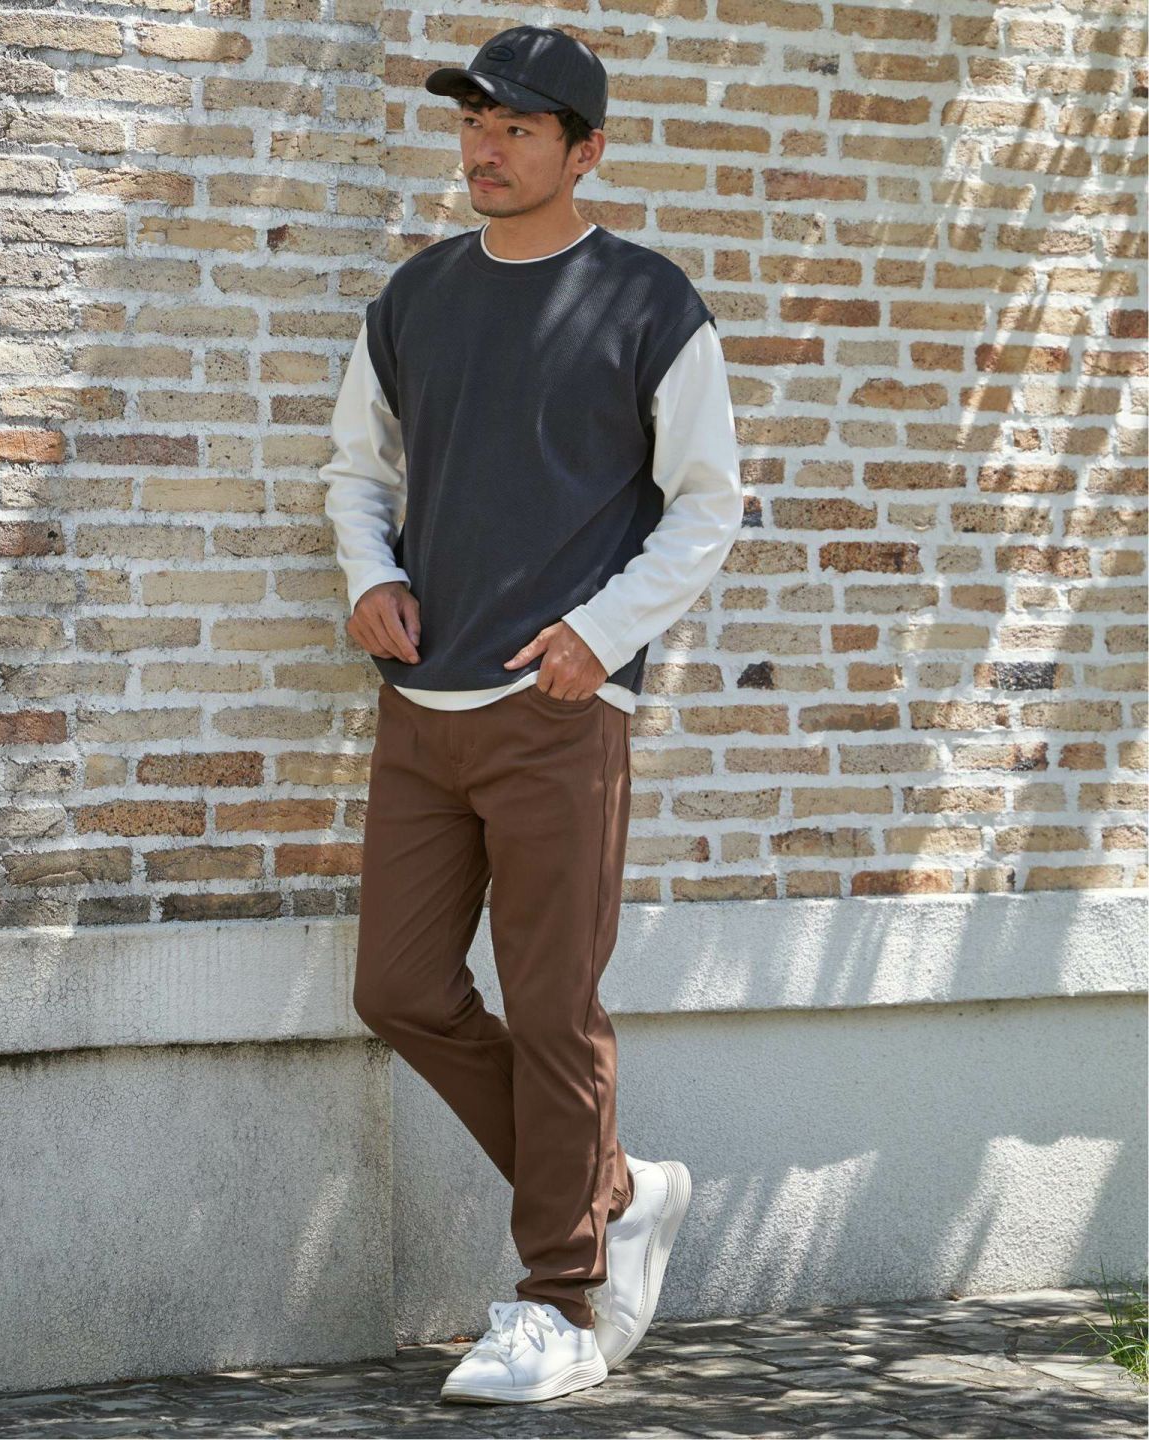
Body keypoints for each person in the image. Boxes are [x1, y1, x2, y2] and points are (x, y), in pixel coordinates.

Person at [320, 23, 743, 1405]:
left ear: (585, 149)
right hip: (421, 710)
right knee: (398, 988)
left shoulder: (648, 302)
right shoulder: (417, 296)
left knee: (555, 1008)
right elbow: (358, 470)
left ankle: (561, 1300)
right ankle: (615, 1189)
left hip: (560, 711)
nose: (485, 149)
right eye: (473, 124)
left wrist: (599, 637)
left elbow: (707, 507)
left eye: (516, 127)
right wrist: (370, 575)